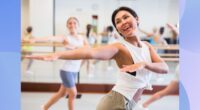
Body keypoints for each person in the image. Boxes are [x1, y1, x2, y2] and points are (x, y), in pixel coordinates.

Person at [26, 7, 169, 110]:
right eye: (118, 21)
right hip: (116, 103)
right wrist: (57, 54)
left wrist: (145, 64)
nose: (123, 22)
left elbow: (165, 68)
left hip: (132, 103)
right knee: (69, 93)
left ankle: (45, 107)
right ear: (118, 29)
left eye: (126, 17)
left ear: (136, 19)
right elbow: (90, 52)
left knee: (62, 93)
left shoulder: (146, 46)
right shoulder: (120, 47)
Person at [29, 17, 88, 110]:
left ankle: (44, 107)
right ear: (67, 26)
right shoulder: (65, 38)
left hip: (75, 70)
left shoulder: (82, 38)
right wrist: (36, 39)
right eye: (70, 23)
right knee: (73, 93)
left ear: (78, 25)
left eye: (74, 23)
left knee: (62, 93)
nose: (72, 25)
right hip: (66, 70)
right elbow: (50, 38)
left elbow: (88, 50)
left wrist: (80, 64)